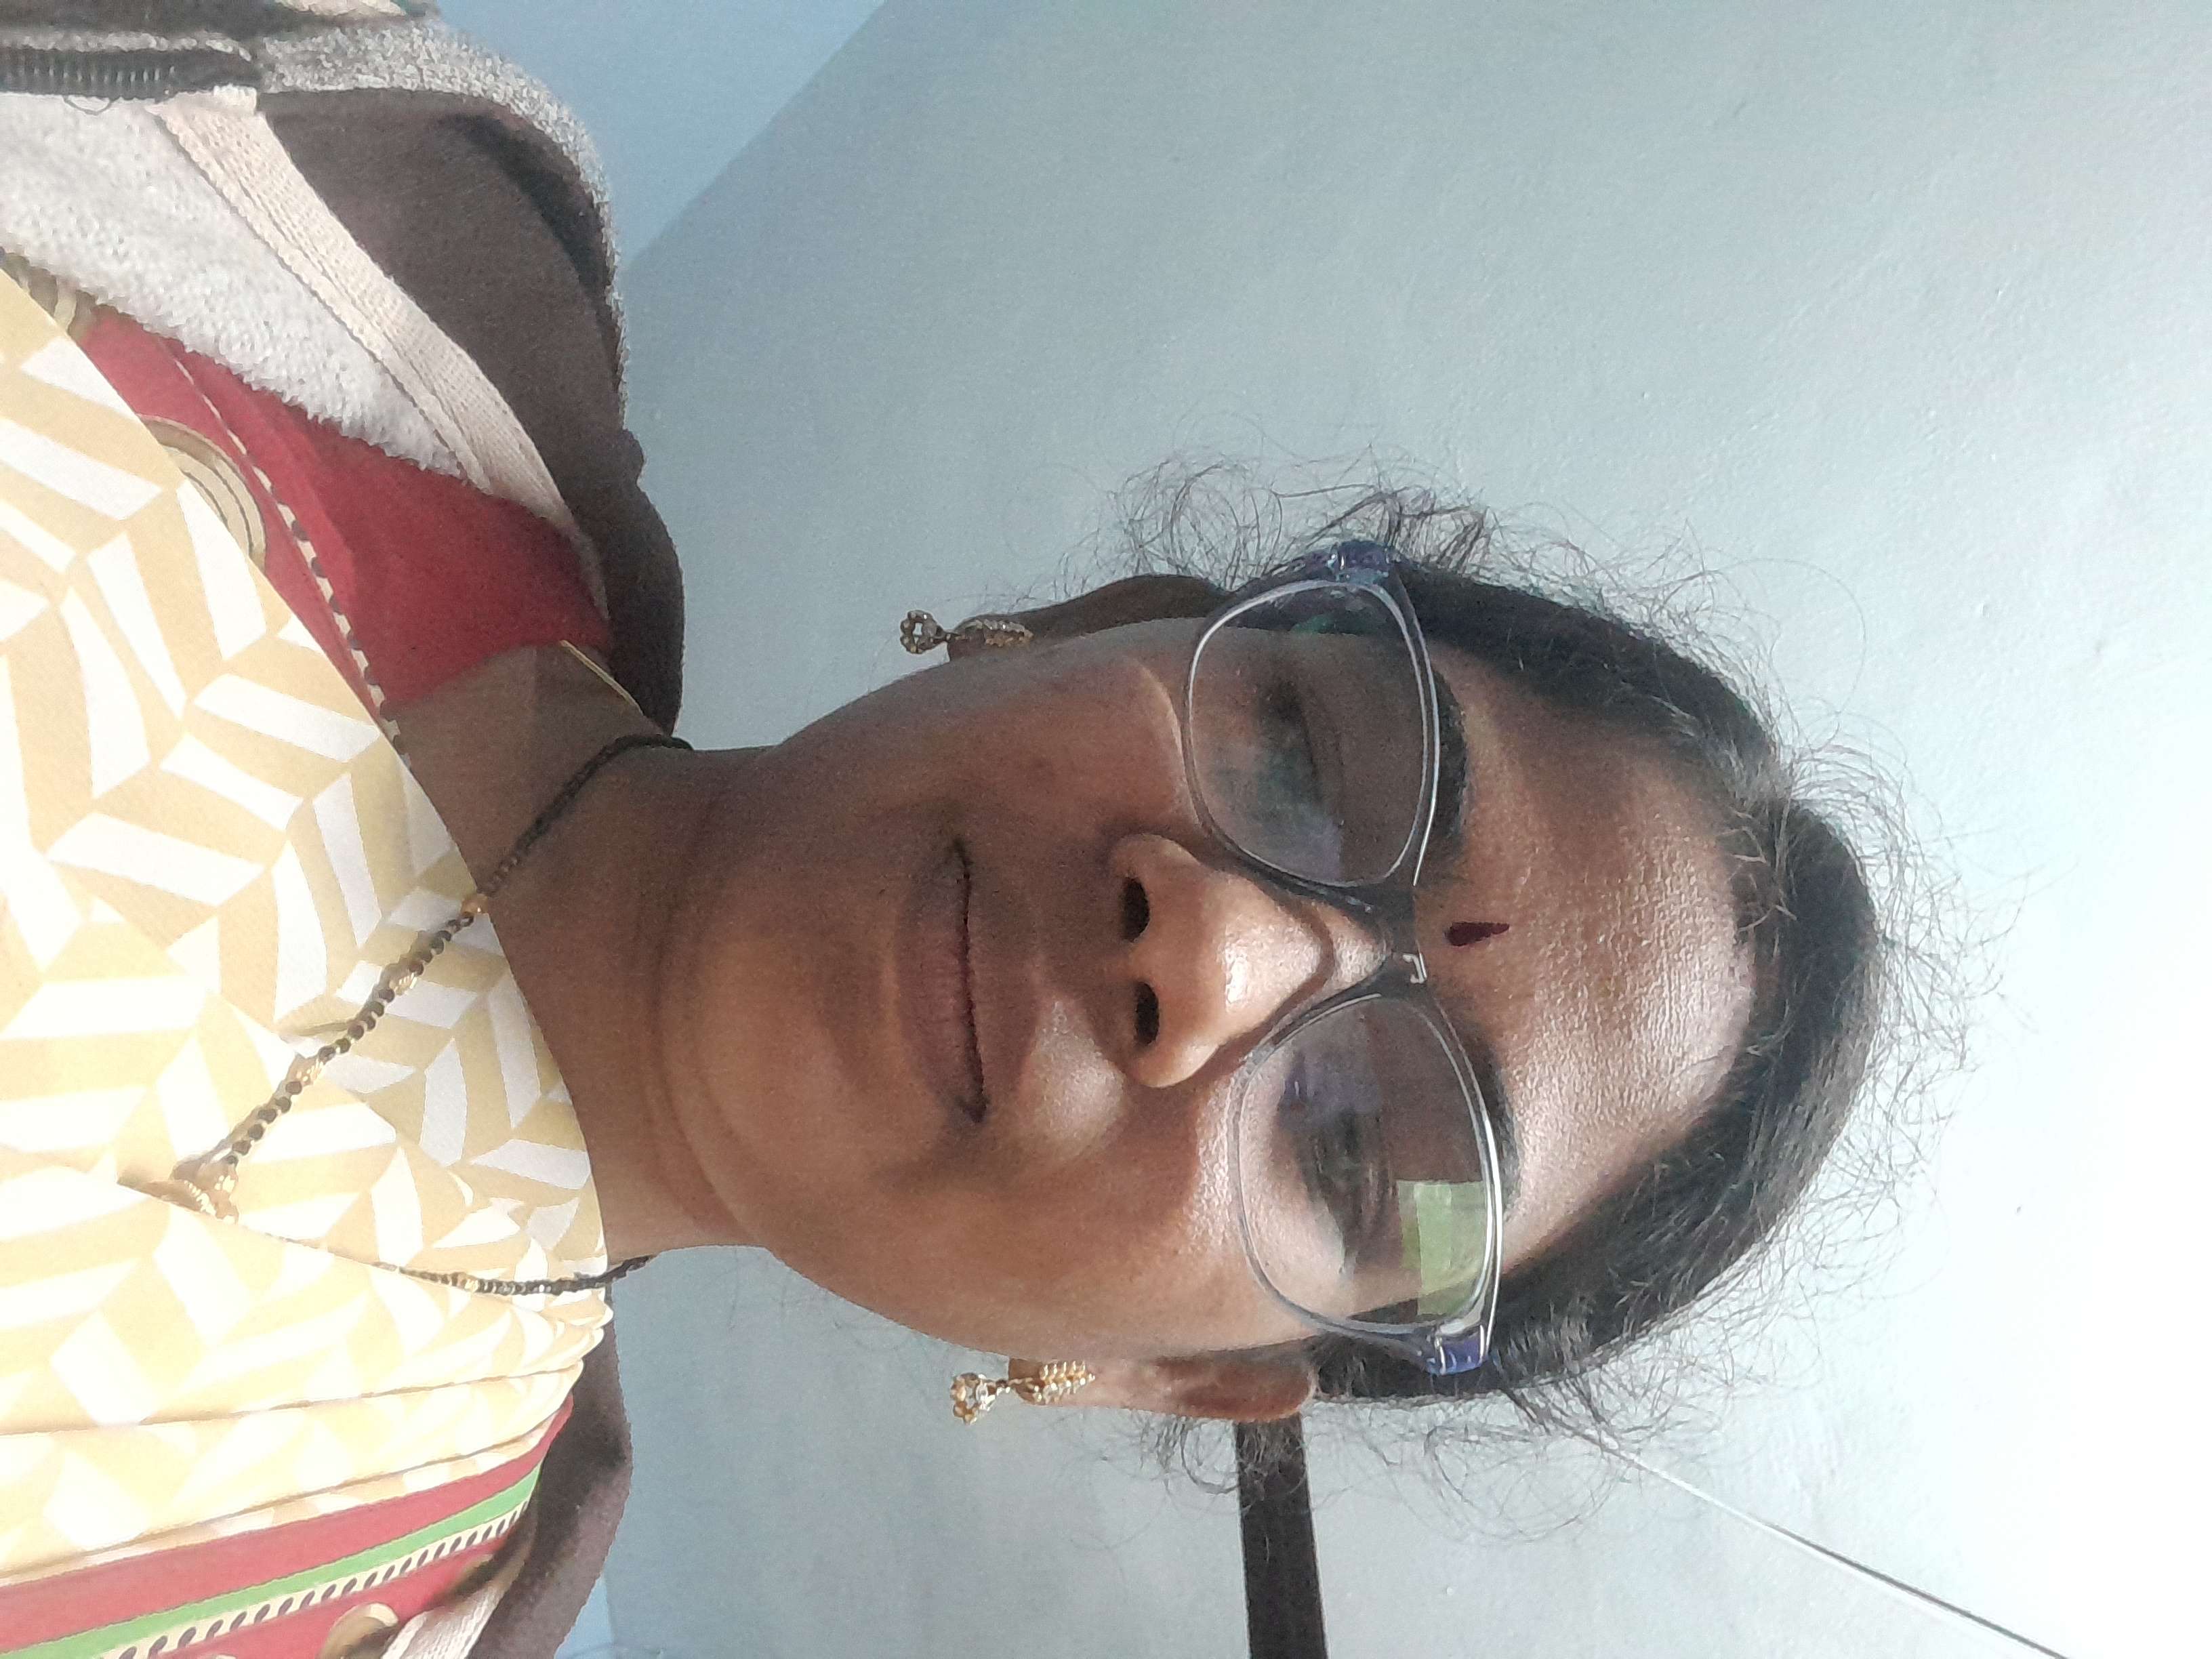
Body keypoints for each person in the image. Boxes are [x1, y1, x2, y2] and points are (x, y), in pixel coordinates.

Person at [0, 3, 1888, 1654]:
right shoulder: (349, 220)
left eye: (1352, 1150)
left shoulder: (382, 1606)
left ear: (1187, 1374)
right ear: (1104, 619)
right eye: (1312, 758)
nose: (1210, 950)